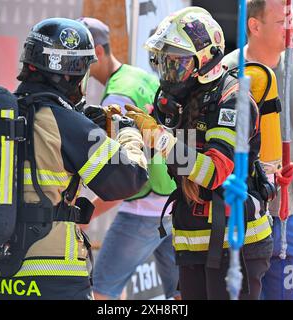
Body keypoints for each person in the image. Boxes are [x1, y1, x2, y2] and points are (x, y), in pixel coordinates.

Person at [0, 18, 149, 300]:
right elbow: (128, 179)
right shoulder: (68, 124)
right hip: (50, 279)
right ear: (72, 73)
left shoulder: (4, 117)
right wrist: (128, 134)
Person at [125, 6, 275, 300]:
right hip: (192, 241)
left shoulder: (235, 102)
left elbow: (214, 172)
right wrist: (123, 128)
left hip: (236, 245)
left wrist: (160, 139)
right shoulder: (177, 100)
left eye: (177, 63)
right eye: (165, 62)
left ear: (205, 61)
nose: (170, 73)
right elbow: (160, 146)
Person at [223, 0, 293, 300]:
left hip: (285, 216)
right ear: (254, 26)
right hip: (237, 214)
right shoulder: (228, 70)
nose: (292, 27)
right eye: (283, 20)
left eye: (291, 19)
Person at [78, 17, 180, 300]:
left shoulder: (117, 98)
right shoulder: (139, 76)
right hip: (172, 203)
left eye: (79, 59)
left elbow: (124, 177)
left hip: (142, 211)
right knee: (182, 292)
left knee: (99, 292)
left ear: (97, 52)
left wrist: (82, 217)